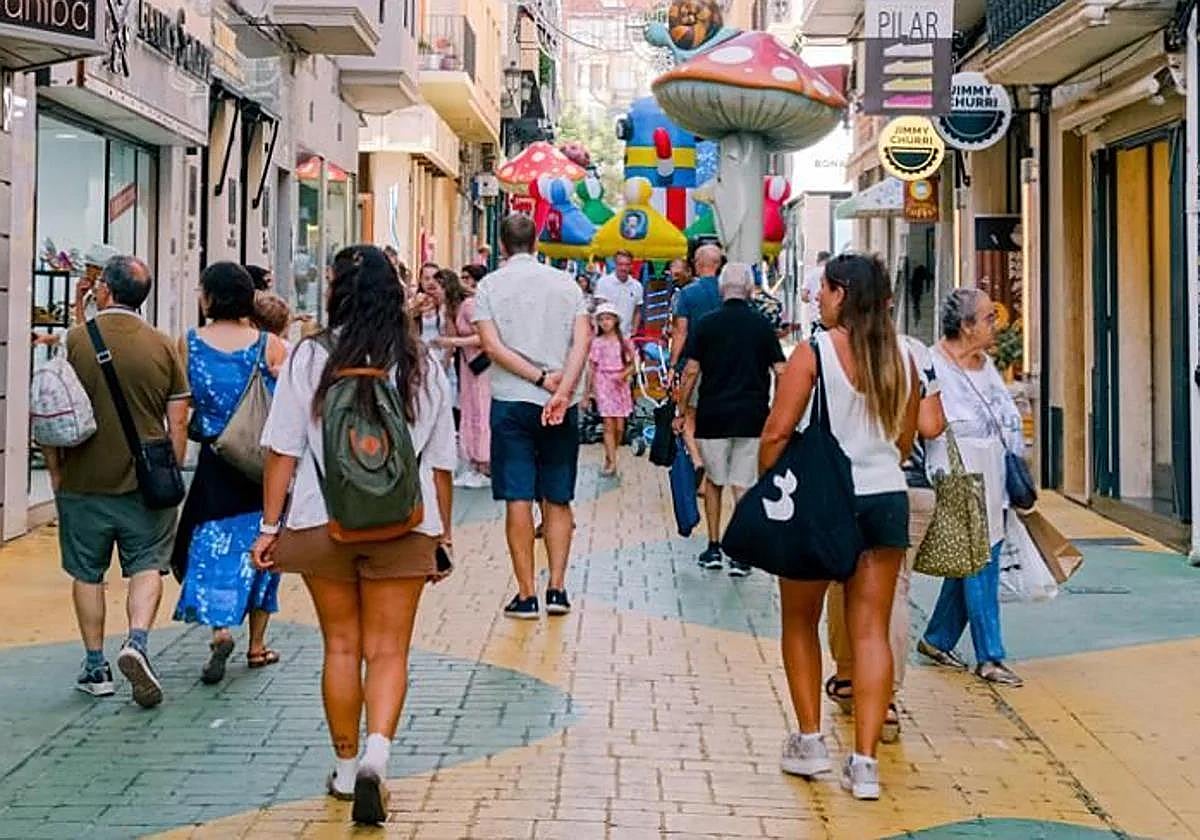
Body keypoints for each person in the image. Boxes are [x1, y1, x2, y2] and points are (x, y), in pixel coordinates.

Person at [251, 245, 456, 823]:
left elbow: (282, 449)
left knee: (340, 645)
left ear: (336, 290)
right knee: (388, 650)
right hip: (407, 526)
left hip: (322, 522)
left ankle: (344, 769)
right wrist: (444, 538)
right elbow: (441, 460)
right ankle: (378, 757)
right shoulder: (422, 363)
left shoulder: (309, 358)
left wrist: (271, 527)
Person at [759, 253, 919, 800]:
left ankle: (809, 742)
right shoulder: (905, 357)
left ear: (843, 293)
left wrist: (771, 491)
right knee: (870, 630)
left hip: (822, 500)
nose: (818, 299)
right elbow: (903, 441)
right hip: (884, 498)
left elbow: (777, 432)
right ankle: (866, 762)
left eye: (824, 290)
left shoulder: (815, 353)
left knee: (799, 620)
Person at [45, 255, 189, 708]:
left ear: (104, 290)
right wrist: (173, 466)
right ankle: (138, 642)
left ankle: (95, 666)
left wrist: (55, 472)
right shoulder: (162, 345)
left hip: (83, 479)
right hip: (147, 482)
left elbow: (50, 412)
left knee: (87, 572)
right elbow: (178, 417)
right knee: (147, 564)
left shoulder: (75, 342)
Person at [824, 333, 946, 741]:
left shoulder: (829, 349)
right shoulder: (913, 351)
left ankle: (845, 676)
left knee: (842, 581)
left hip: (847, 486)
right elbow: (932, 424)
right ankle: (887, 701)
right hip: (908, 484)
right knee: (894, 591)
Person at [172, 263, 289, 683]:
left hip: (216, 459)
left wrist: (174, 458)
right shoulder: (270, 345)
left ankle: (220, 628)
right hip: (262, 463)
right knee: (265, 544)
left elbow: (181, 411)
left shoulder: (189, 344)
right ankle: (258, 645)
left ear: (209, 297)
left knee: (209, 543)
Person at [474, 214, 591, 620]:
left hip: (512, 401)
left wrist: (538, 379)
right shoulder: (566, 284)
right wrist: (561, 390)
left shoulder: (489, 286)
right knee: (558, 496)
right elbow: (582, 341)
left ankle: (526, 593)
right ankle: (557, 588)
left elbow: (490, 346)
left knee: (518, 497)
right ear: (537, 241)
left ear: (503, 245)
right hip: (561, 403)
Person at [919, 288, 1025, 687]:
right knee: (981, 563)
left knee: (973, 560)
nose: (994, 324)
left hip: (993, 476)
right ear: (965, 326)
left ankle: (937, 637)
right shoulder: (931, 364)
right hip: (956, 475)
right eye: (987, 318)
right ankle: (990, 656)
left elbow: (1006, 415)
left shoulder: (986, 365)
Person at [674, 263, 785, 577]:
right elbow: (781, 371)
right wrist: (777, 408)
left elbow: (692, 370)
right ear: (749, 290)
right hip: (752, 415)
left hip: (713, 415)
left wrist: (681, 409)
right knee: (744, 483)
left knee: (714, 480)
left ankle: (713, 546)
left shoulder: (707, 325)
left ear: (722, 289)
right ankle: (741, 552)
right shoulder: (762, 326)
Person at [670, 243, 725, 481]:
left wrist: (673, 365)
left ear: (697, 264)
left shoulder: (688, 294)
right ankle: (714, 471)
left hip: (695, 363)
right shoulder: (728, 292)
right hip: (725, 364)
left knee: (690, 416)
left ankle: (697, 460)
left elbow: (680, 332)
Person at [436, 267, 491, 488]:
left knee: (480, 408)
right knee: (469, 407)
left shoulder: (469, 306)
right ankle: (475, 462)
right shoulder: (452, 309)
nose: (433, 294)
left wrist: (453, 343)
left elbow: (484, 337)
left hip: (480, 365)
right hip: (467, 365)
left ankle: (484, 463)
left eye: (436, 288)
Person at [588, 303, 635, 477]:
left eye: (608, 318)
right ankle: (612, 461)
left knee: (620, 426)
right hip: (603, 383)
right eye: (601, 319)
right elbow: (592, 368)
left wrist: (624, 374)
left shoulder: (624, 341)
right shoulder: (597, 343)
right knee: (608, 423)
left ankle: (611, 453)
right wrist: (589, 392)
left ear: (615, 320)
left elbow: (633, 364)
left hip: (620, 384)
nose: (605, 323)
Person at [593, 249, 644, 336]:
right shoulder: (603, 282)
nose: (623, 268)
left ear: (631, 266)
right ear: (615, 264)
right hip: (605, 336)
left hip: (626, 336)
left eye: (627, 265)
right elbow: (600, 310)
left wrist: (634, 331)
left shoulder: (637, 286)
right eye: (620, 264)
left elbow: (637, 311)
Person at [72, 243, 120, 325]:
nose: (86, 272)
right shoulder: (92, 297)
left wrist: (79, 299)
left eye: (88, 267)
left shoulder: (107, 302)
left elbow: (84, 333)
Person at [802, 251, 831, 336]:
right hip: (830, 317)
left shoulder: (810, 274)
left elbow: (804, 296)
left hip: (815, 315)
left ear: (818, 260)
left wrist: (811, 299)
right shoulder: (831, 273)